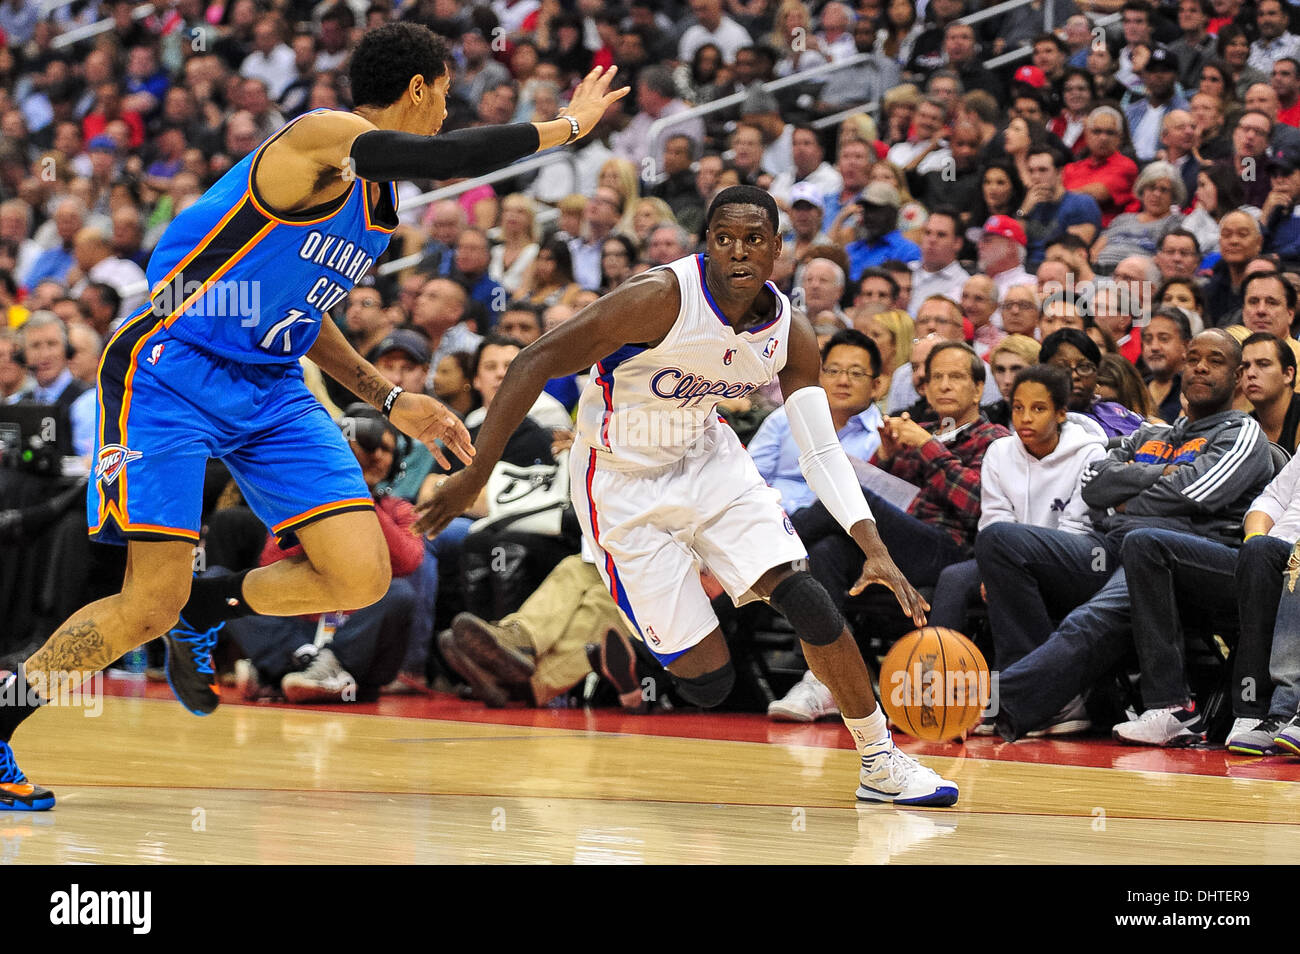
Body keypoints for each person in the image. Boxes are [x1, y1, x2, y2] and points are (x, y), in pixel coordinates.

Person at [0, 23, 629, 811]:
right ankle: (7, 716)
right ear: (420, 88)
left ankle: (211, 602)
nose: (446, 110)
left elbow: (308, 307)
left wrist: (394, 399)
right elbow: (448, 159)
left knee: (361, 572)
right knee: (144, 603)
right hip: (169, 368)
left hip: (269, 383)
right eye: (445, 94)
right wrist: (567, 126)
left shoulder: (375, 203)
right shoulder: (323, 136)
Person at [414, 185, 959, 806]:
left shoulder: (791, 333)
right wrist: (475, 474)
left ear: (780, 249)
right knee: (708, 686)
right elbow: (532, 361)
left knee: (805, 596)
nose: (738, 252)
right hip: (618, 479)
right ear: (707, 245)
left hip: (707, 459)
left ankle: (879, 762)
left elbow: (820, 452)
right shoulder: (657, 298)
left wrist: (873, 546)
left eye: (755, 239)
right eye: (723, 238)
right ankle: (616, 645)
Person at [983, 329, 1274, 741]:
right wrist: (1154, 478)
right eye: (1192, 358)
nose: (1201, 367)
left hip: (1175, 561)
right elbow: (1095, 484)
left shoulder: (1240, 433)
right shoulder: (1148, 434)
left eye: (1216, 360)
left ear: (1239, 375)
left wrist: (1126, 500)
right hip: (1108, 548)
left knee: (1090, 618)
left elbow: (1195, 493)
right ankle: (1052, 700)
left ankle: (1002, 701)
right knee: (1001, 541)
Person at [1243, 331, 1300, 451]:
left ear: (1288, 374)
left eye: (1263, 364)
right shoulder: (1245, 425)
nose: (1250, 373)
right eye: (1245, 366)